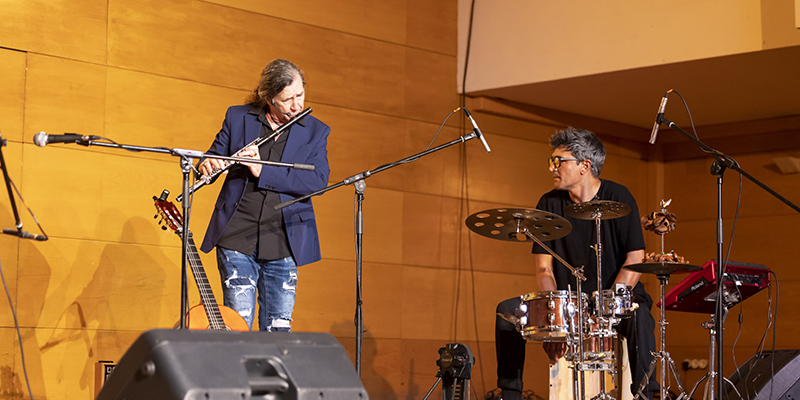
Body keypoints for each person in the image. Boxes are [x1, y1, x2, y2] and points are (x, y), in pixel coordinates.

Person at [495, 127, 659, 400]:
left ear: (585, 166)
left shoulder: (619, 197)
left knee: (640, 316)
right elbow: (544, 268)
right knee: (507, 312)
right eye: (551, 161)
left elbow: (635, 258)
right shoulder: (548, 202)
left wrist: (606, 307)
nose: (552, 168)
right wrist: (552, 314)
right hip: (568, 305)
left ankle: (645, 395)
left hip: (614, 299)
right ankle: (510, 393)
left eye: (558, 161)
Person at [198, 59, 330, 332]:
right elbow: (215, 153)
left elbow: (317, 180)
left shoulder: (315, 131)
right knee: (237, 325)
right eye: (287, 100)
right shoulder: (238, 117)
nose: (296, 105)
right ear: (268, 98)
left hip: (284, 239)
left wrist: (262, 170)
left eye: (300, 95)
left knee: (277, 330)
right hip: (236, 234)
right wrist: (208, 164)